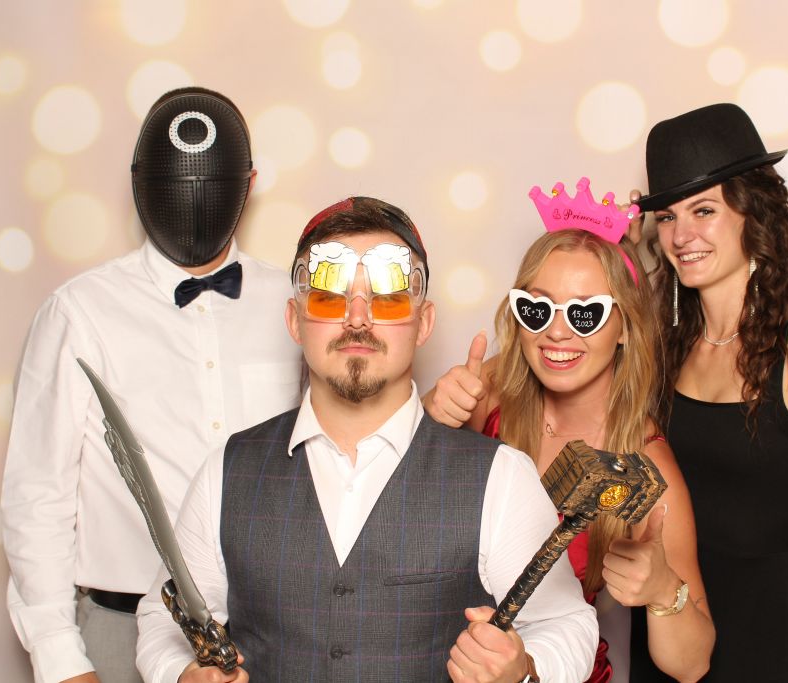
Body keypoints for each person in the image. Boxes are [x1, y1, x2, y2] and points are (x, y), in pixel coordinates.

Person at [135, 196, 598, 683]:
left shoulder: (500, 476)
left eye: (388, 298)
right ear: (295, 320)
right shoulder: (226, 472)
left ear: (423, 322)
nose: (358, 319)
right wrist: (180, 673)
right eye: (330, 298)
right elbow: (164, 617)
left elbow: (565, 622)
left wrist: (524, 670)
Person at [1, 87, 304, 683]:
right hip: (116, 633)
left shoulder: (294, 304)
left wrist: (439, 412)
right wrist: (61, 660)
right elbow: (37, 492)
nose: (192, 201)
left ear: (248, 184)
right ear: (141, 184)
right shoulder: (79, 312)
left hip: (269, 627)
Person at [424, 178, 715, 682]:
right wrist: (430, 416)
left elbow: (692, 665)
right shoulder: (489, 389)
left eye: (585, 314)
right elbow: (385, 504)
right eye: (537, 309)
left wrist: (662, 589)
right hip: (443, 660)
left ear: (625, 328)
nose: (556, 332)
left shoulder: (645, 468)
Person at [631, 103, 788, 681]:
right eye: (666, 217)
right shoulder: (659, 343)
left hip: (761, 651)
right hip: (665, 641)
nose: (681, 236)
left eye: (704, 210)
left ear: (753, 210)